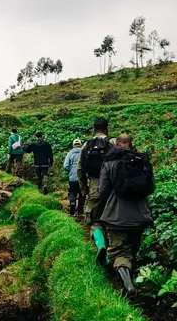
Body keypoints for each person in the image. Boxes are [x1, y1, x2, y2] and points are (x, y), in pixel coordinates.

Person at [98, 134, 155, 295]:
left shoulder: (109, 162)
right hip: (140, 215)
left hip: (116, 216)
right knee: (132, 250)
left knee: (119, 252)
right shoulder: (141, 160)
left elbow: (102, 189)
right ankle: (132, 280)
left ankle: (128, 286)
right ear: (130, 144)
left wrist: (107, 206)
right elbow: (151, 187)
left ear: (116, 144)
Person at [77, 117, 115, 263]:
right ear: (107, 128)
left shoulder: (86, 145)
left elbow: (79, 169)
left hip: (94, 187)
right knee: (112, 220)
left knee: (95, 221)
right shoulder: (113, 142)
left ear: (94, 129)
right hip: (113, 188)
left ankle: (101, 246)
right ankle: (113, 253)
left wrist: (84, 189)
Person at [63, 139, 85, 216]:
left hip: (72, 177)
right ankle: (80, 210)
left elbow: (65, 166)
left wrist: (70, 171)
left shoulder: (70, 153)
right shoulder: (83, 152)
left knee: (72, 192)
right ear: (80, 145)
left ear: (73, 145)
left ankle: (72, 203)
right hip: (82, 177)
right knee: (82, 193)